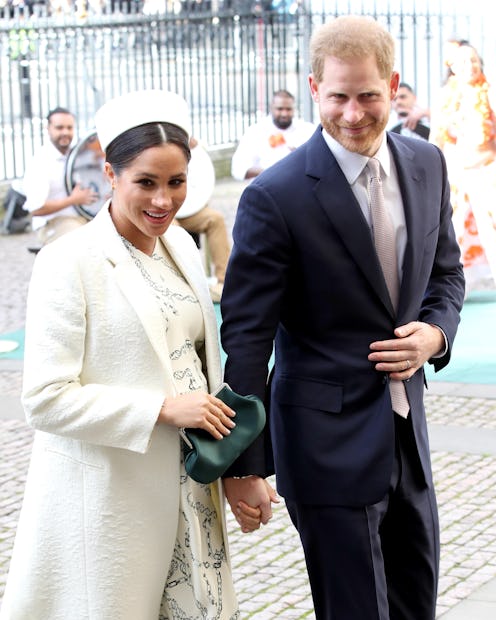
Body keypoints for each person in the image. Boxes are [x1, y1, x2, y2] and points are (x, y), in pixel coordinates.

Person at [220, 15, 465, 620]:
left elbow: (446, 276)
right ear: (313, 89)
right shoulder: (274, 196)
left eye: (368, 96)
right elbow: (247, 338)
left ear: (394, 85)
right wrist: (246, 466)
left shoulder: (428, 164)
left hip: (409, 437)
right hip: (323, 448)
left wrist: (434, 334)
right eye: (338, 97)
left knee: (416, 606)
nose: (353, 114)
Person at [0, 89, 257, 620]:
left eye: (176, 183)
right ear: (110, 174)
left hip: (192, 492)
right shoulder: (67, 260)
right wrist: (160, 410)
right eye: (146, 182)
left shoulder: (183, 245)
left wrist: (234, 469)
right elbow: (45, 401)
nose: (163, 201)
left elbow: (202, 368)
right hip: (113, 502)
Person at [430, 41, 496, 295]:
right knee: (453, 224)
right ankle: (456, 284)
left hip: (487, 169)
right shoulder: (445, 96)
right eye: (464, 62)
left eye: (474, 60)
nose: (470, 66)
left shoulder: (489, 92)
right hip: (456, 172)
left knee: (489, 223)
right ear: (453, 68)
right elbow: (438, 137)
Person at [22, 106, 99, 245]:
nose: (65, 132)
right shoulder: (40, 161)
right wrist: (72, 200)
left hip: (84, 219)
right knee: (83, 243)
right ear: (48, 129)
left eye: (69, 128)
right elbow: (36, 208)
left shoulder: (78, 155)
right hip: (53, 224)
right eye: (59, 128)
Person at [174, 136, 231, 303]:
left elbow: (202, 172)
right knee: (174, 231)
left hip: (189, 210)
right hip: (166, 212)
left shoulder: (190, 144)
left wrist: (197, 149)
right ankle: (184, 287)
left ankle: (223, 282)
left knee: (216, 219)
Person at [230, 89, 315, 181]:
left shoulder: (307, 130)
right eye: (280, 109)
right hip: (264, 188)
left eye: (288, 109)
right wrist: (271, 173)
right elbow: (238, 169)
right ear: (271, 108)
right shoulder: (255, 132)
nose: (284, 114)